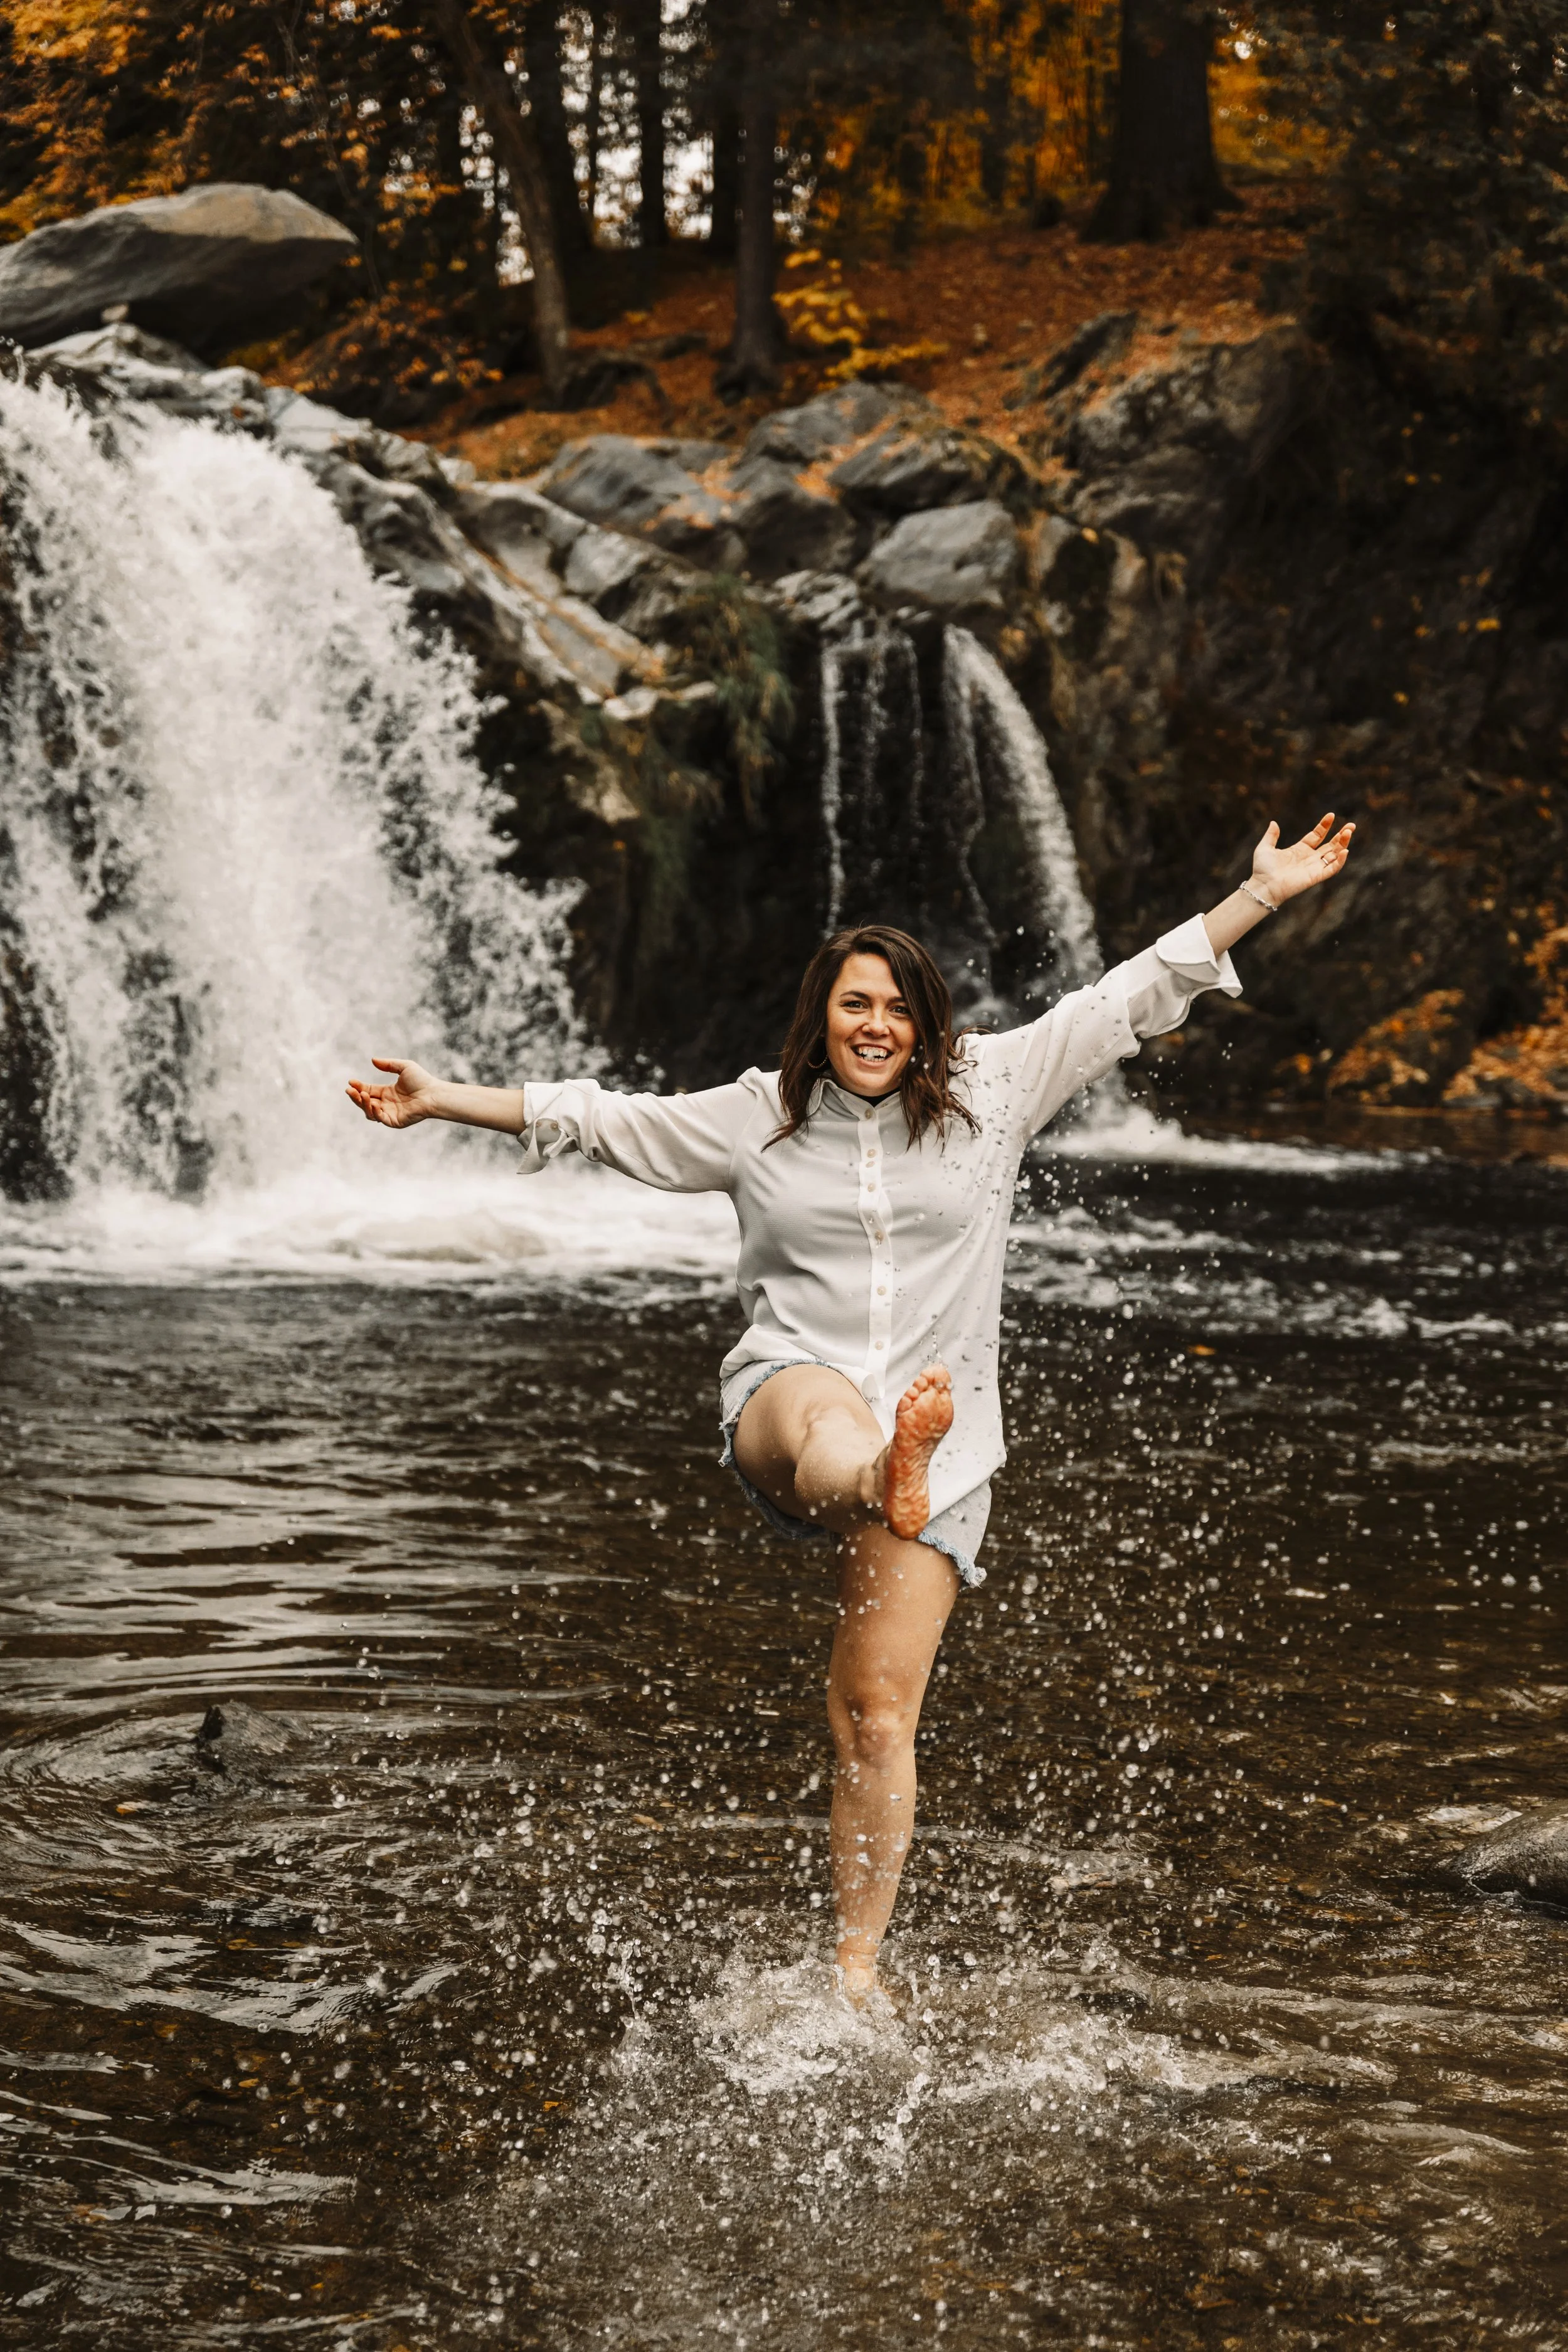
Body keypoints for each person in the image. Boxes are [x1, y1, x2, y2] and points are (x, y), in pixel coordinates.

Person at [347, 814, 1355, 2003]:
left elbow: (1133, 994)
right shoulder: (754, 1115)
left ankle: (855, 1967)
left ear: (928, 1018)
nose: (876, 1026)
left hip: (950, 1441)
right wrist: (440, 1100)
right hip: (791, 1390)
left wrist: (1260, 896)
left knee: (875, 1712)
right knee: (835, 1425)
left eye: (896, 1007)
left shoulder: (997, 1086)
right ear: (821, 1019)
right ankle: (881, 1476)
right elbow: (597, 1114)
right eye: (853, 1006)